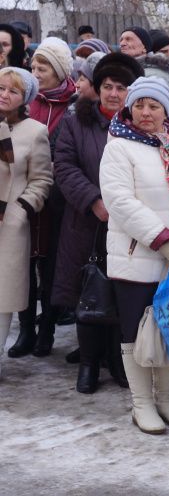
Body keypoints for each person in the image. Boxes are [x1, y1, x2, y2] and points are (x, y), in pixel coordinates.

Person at [98, 76, 169, 434]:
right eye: (139, 105)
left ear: (167, 109)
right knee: (136, 333)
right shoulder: (118, 147)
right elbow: (119, 201)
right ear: (129, 109)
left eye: (154, 106)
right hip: (138, 257)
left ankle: (166, 399)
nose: (146, 113)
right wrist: (162, 239)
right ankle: (142, 404)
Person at [51, 53, 143, 393]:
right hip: (86, 223)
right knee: (87, 293)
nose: (114, 94)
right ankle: (89, 363)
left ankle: (120, 363)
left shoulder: (140, 125)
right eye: (107, 86)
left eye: (122, 88)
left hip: (129, 226)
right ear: (98, 88)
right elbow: (64, 164)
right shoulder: (77, 122)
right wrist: (93, 200)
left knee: (124, 293)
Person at [17, 38, 76, 357]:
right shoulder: (25, 102)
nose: (36, 71)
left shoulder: (73, 106)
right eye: (34, 66)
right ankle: (25, 329)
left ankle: (47, 329)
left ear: (59, 71)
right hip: (23, 197)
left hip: (57, 200)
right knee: (22, 262)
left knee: (51, 265)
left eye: (44, 67)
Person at [0, 67, 53, 377]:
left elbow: (42, 179)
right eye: (1, 87)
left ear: (25, 98)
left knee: (3, 297)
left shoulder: (34, 131)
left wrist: (22, 209)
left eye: (13, 91)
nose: (4, 94)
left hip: (9, 225)